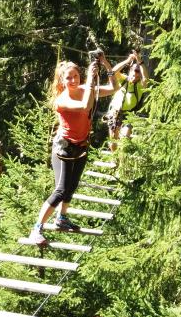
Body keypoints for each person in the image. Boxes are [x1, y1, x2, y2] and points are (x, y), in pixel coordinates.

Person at [28, 54, 117, 245]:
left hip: (81, 145)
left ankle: (62, 218)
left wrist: (106, 65)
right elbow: (85, 106)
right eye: (68, 77)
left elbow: (114, 88)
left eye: (75, 76)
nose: (73, 80)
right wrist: (92, 80)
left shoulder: (86, 89)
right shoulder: (61, 100)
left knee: (72, 187)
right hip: (64, 148)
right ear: (62, 80)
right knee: (61, 190)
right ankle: (37, 228)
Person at [105, 51, 149, 151]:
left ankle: (122, 162)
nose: (135, 76)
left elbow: (145, 78)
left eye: (138, 74)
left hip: (128, 114)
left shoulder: (140, 86)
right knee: (113, 140)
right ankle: (115, 160)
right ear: (130, 71)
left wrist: (140, 62)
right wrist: (127, 61)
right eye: (134, 73)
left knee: (125, 138)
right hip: (114, 112)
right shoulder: (123, 79)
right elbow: (112, 72)